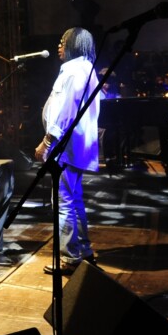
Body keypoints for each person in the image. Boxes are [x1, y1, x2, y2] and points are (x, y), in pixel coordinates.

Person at [35, 27, 102, 275]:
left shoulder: (75, 71)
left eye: (63, 41)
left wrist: (47, 142)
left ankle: (71, 257)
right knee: (73, 200)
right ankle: (82, 252)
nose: (59, 46)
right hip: (72, 147)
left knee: (64, 202)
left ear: (74, 44)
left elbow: (66, 112)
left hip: (66, 147)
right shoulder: (85, 69)